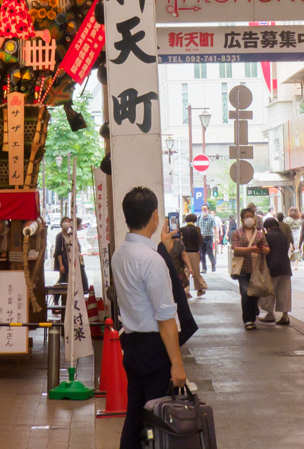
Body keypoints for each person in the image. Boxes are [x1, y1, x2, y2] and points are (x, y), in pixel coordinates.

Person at [110, 187, 188, 449]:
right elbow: (165, 318)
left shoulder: (119, 255)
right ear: (155, 216)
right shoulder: (152, 261)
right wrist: (177, 365)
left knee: (136, 415)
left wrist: (161, 247)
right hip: (156, 349)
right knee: (159, 419)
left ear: (126, 217)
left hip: (132, 346)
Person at [230, 206, 269, 330]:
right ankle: (248, 320)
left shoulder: (259, 234)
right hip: (243, 269)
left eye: (251, 217)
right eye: (246, 217)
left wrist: (264, 250)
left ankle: (252, 315)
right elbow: (236, 249)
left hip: (258, 268)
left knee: (255, 294)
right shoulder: (237, 233)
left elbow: (267, 248)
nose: (249, 219)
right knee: (246, 293)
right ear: (241, 219)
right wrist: (250, 249)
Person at [262, 216, 293, 326]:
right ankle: (285, 316)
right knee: (285, 292)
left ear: (268, 227)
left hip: (273, 267)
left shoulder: (268, 236)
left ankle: (270, 314)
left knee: (270, 292)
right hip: (285, 267)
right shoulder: (283, 236)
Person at [178, 218, 206, 296]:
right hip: (194, 252)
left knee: (186, 270)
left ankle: (185, 290)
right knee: (196, 271)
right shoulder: (196, 229)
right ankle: (200, 288)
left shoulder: (182, 229)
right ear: (195, 220)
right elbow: (200, 241)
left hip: (184, 252)